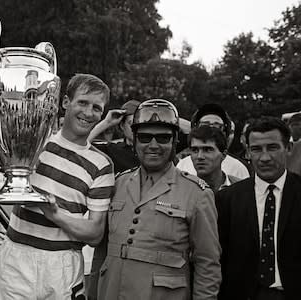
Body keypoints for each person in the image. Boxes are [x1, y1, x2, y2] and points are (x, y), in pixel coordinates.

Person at [0, 73, 115, 300]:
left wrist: (56, 214)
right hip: (17, 256)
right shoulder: (33, 141)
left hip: (63, 265)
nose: (88, 113)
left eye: (97, 108)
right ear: (66, 102)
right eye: (83, 102)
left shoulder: (102, 165)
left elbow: (95, 234)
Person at [97, 99, 221, 300]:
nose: (153, 145)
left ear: (174, 142)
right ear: (134, 140)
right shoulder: (117, 183)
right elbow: (100, 252)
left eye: (163, 138)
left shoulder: (197, 193)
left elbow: (207, 263)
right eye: (145, 137)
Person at [216, 116, 301, 300]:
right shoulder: (227, 199)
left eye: (272, 148)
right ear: (247, 152)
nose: (264, 157)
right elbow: (219, 259)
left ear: (288, 148)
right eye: (256, 149)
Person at [176, 103, 250, 179]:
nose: (210, 129)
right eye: (205, 124)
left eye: (216, 125)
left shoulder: (237, 168)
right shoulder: (183, 165)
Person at [89, 99, 141, 174]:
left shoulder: (153, 149)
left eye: (139, 124)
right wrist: (107, 122)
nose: (135, 128)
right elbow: (78, 147)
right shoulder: (112, 150)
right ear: (122, 126)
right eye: (131, 124)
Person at [189, 126, 241, 192]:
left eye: (207, 150)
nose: (200, 156)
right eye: (195, 150)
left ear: (223, 155)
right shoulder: (183, 190)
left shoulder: (241, 188)